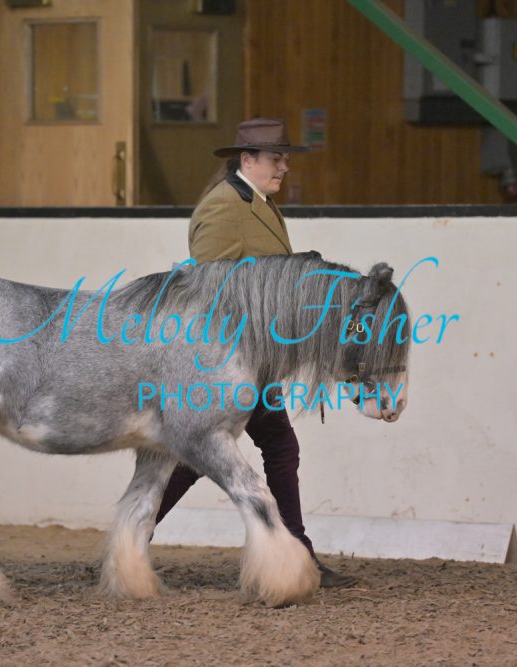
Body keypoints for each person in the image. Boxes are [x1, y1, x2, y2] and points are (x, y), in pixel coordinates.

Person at [154, 117, 357, 589]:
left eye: (284, 158)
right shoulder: (224, 206)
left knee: (233, 452)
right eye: (276, 158)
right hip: (229, 359)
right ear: (247, 160)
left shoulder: (258, 202)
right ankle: (298, 554)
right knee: (244, 451)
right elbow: (209, 287)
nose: (284, 166)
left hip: (255, 359)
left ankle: (134, 533)